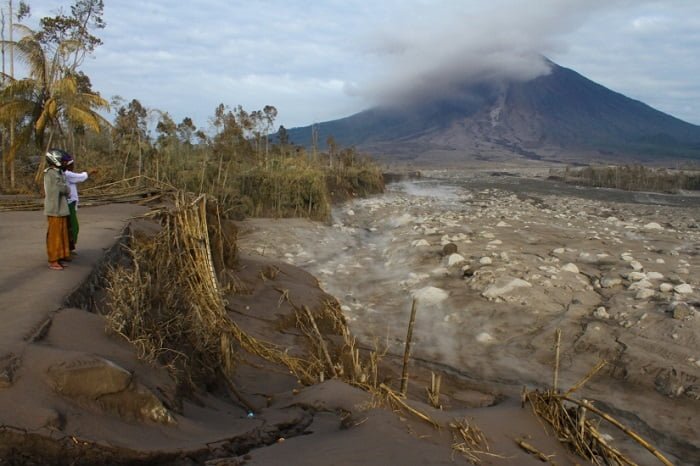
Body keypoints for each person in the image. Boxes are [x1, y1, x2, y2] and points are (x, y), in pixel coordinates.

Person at [43, 149, 71, 270]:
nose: (64, 163)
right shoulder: (50, 173)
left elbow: (64, 187)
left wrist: (66, 188)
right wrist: (66, 189)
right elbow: (62, 189)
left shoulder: (58, 172)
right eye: (61, 161)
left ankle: (59, 257)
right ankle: (53, 260)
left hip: (61, 208)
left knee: (62, 234)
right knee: (54, 236)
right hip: (55, 208)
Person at [60, 151, 92, 253]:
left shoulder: (65, 174)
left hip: (70, 203)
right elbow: (81, 177)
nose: (73, 167)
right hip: (69, 203)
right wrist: (89, 172)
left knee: (71, 227)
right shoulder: (68, 174)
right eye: (72, 165)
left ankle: (69, 248)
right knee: (73, 227)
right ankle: (68, 248)